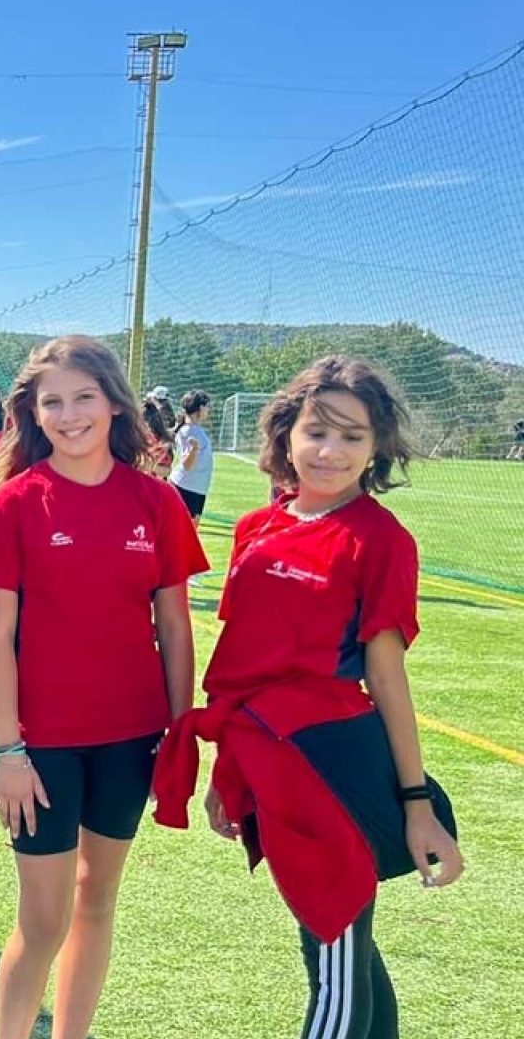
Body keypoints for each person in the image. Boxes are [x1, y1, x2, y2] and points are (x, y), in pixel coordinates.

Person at [153, 356, 465, 1039]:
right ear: (286, 434)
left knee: (334, 945)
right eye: (317, 431)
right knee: (337, 945)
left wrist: (416, 803)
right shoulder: (256, 528)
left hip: (332, 762)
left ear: (376, 447)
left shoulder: (380, 539)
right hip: (268, 756)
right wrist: (229, 777)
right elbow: (242, 668)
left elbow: (387, 677)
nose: (331, 451)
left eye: (353, 436)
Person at [0, 336, 207, 1039]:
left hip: (131, 738)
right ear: (34, 414)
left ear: (114, 405)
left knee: (97, 897)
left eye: (84, 398)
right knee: (43, 919)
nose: (70, 415)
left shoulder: (156, 502)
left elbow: (175, 628)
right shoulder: (14, 505)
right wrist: (7, 751)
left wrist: (180, 732)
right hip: (41, 745)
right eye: (53, 403)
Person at [170, 390, 215, 526]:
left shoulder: (195, 429)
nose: (208, 410)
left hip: (196, 488)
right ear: (200, 407)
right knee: (182, 531)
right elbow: (187, 466)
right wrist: (194, 449)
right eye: (207, 406)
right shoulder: (188, 431)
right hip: (186, 487)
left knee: (190, 531)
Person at [142, 395, 175, 480]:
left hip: (152, 483)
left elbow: (167, 471)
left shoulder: (162, 441)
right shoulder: (133, 437)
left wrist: (148, 466)